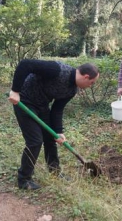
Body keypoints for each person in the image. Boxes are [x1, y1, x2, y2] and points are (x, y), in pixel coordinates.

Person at [8, 59, 99, 190]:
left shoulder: (72, 90)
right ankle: (24, 179)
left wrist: (58, 131)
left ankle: (54, 171)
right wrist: (15, 91)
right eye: (92, 83)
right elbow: (25, 64)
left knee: (50, 138)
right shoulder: (56, 70)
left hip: (42, 105)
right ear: (86, 77)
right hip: (24, 101)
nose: (91, 86)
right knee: (35, 141)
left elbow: (57, 110)